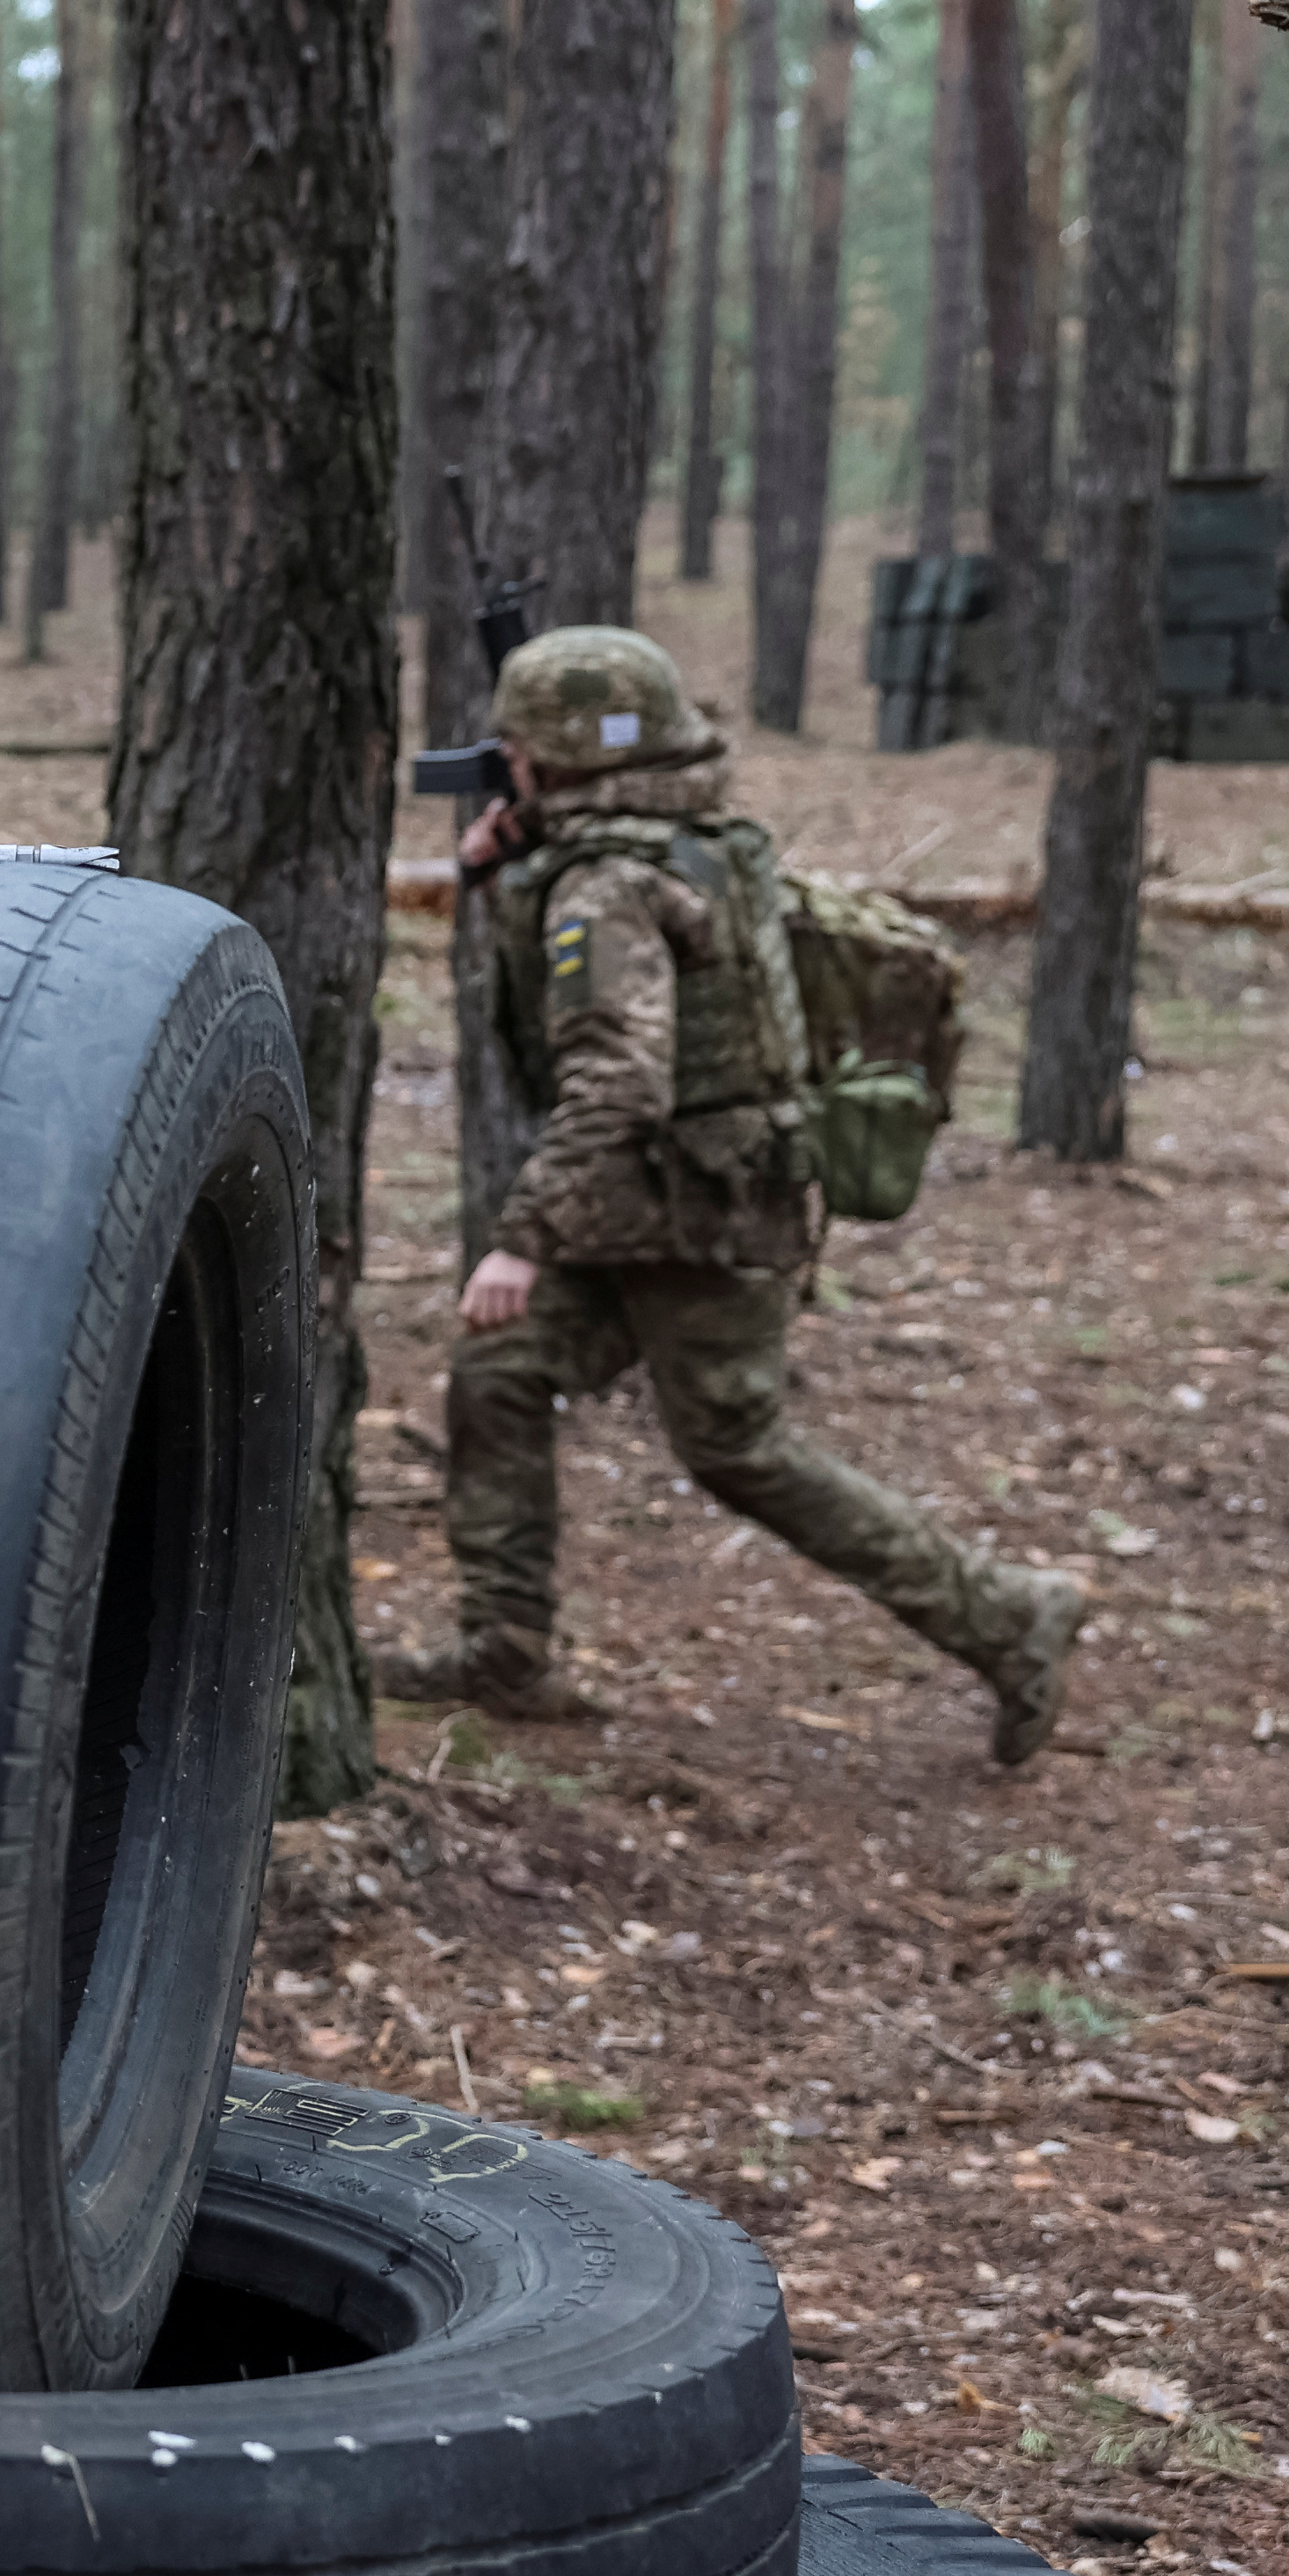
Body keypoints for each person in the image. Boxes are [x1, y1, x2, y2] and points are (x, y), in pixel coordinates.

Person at [375, 624, 1084, 1765]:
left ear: (552, 759)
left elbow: (618, 1081)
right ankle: (504, 1648)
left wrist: (517, 1239)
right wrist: (494, 870)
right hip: (659, 1212)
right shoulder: (696, 840)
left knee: (737, 1448)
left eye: (513, 746)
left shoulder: (605, 887)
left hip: (700, 1221)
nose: (496, 760)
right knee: (499, 1375)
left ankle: (1009, 1617)